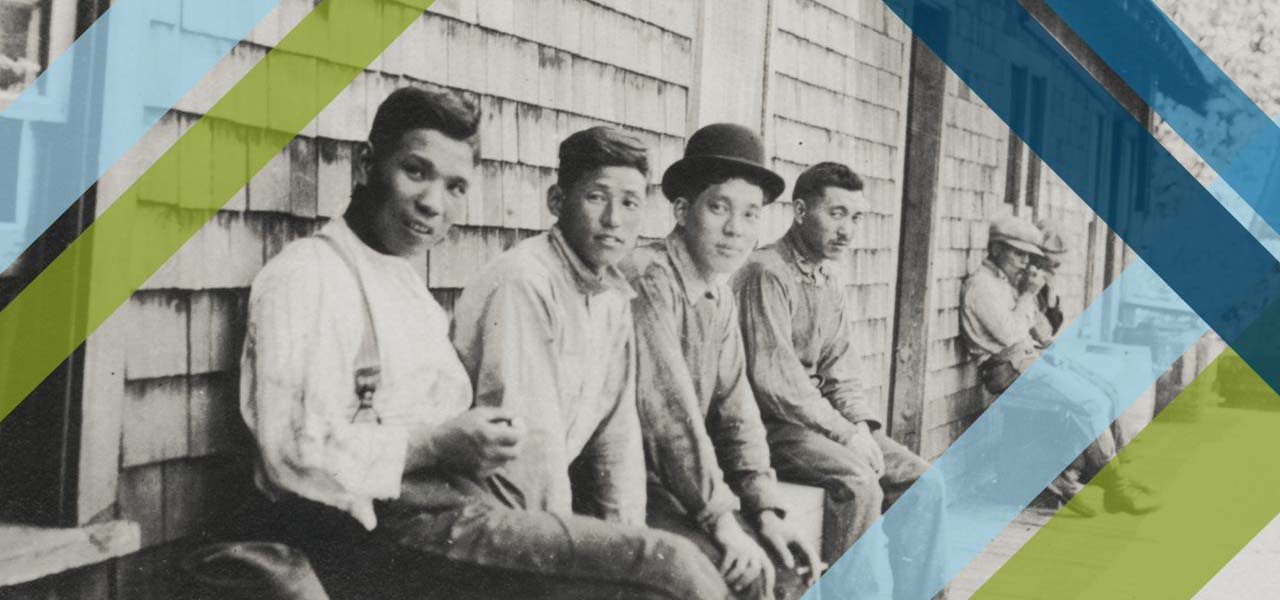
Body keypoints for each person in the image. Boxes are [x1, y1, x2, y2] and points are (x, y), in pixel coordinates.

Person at [241, 89, 728, 600]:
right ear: (366, 166)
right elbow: (295, 452)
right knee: (667, 569)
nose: (433, 202)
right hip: (374, 539)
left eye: (455, 187)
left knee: (673, 560)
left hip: (455, 516)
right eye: (415, 171)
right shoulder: (308, 276)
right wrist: (435, 443)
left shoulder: (405, 285)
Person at [732, 162, 947, 599]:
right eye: (836, 214)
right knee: (858, 482)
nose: (847, 229)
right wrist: (846, 435)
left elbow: (842, 371)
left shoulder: (828, 277)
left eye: (856, 217)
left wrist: (863, 428)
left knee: (925, 482)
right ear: (799, 210)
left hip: (822, 427)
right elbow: (777, 383)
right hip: (773, 427)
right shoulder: (765, 272)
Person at [624, 123, 820, 599]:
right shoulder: (650, 280)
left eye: (751, 214)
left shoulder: (718, 290)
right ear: (682, 211)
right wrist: (722, 520)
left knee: (787, 566)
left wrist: (766, 509)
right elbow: (669, 419)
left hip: (681, 486)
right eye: (719, 208)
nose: (736, 229)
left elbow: (737, 412)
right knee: (740, 573)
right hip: (627, 485)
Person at [959, 215, 1158, 516]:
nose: (1024, 262)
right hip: (1004, 370)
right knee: (1089, 402)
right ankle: (1108, 484)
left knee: (1100, 394)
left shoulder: (1004, 283)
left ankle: (1085, 478)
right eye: (1017, 253)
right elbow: (1010, 333)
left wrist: (1036, 293)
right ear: (996, 249)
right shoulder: (982, 286)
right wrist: (1026, 295)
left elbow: (1039, 331)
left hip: (1024, 362)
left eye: (1028, 255)